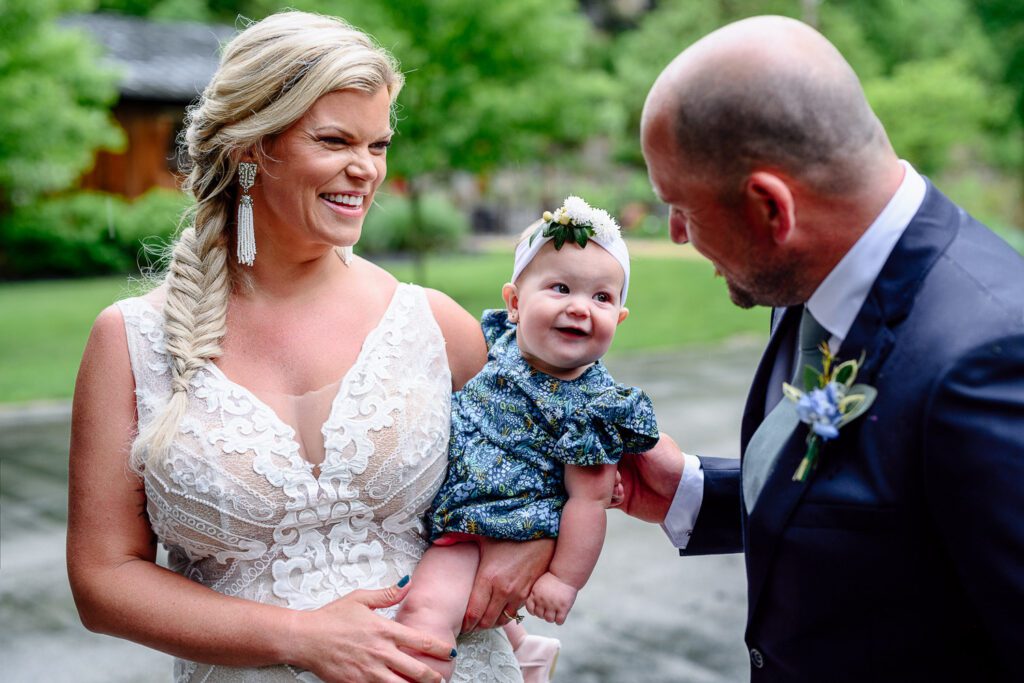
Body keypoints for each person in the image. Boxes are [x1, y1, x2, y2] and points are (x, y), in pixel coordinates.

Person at [66, 11, 552, 683]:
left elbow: (532, 476)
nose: (365, 170)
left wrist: (529, 541)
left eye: (378, 145)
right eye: (335, 140)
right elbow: (102, 578)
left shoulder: (432, 325)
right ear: (248, 147)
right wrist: (298, 634)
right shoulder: (131, 342)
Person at [616, 14, 1024, 682]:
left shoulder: (990, 359)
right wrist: (690, 493)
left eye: (681, 207)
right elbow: (886, 527)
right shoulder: (806, 281)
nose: (677, 233)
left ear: (770, 209)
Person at [396, 197, 661, 682]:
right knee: (467, 618)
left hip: (497, 531)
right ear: (514, 304)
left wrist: (563, 579)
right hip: (452, 515)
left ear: (620, 318)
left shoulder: (589, 407)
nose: (580, 308)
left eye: (602, 298)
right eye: (560, 288)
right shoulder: (494, 345)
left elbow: (589, 502)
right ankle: (526, 650)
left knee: (425, 614)